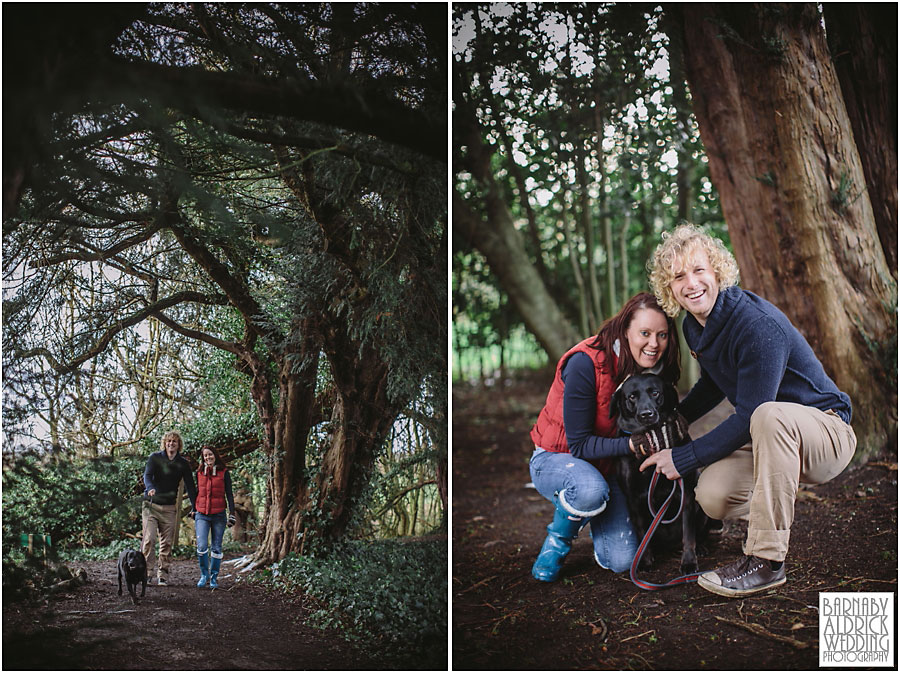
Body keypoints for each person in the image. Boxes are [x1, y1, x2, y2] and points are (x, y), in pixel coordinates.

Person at [642, 224, 856, 597]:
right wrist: (675, 417)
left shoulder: (757, 325)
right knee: (711, 493)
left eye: (698, 270)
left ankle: (766, 562)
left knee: (766, 415)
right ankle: (774, 507)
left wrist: (684, 456)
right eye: (678, 276)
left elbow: (752, 414)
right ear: (669, 288)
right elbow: (713, 382)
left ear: (718, 272)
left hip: (826, 433)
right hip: (772, 438)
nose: (690, 283)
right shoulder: (695, 327)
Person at [528, 292, 685, 581]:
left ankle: (597, 518)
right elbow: (579, 444)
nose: (654, 344)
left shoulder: (647, 369)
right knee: (589, 489)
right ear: (625, 330)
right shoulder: (585, 363)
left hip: (608, 464)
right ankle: (557, 542)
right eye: (645, 333)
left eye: (662, 335)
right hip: (558, 459)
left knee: (622, 560)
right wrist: (631, 444)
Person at [142, 431, 198, 586]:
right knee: (149, 540)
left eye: (174, 441)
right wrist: (150, 487)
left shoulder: (183, 463)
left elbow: (190, 486)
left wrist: (195, 507)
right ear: (164, 443)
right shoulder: (155, 458)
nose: (171, 444)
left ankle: (163, 574)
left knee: (166, 543)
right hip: (151, 505)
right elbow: (147, 476)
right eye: (168, 441)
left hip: (169, 508)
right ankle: (146, 573)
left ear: (178, 444)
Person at [192, 446, 236, 589]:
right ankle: (204, 575)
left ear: (215, 455)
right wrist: (193, 509)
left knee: (216, 547)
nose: (208, 458)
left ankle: (214, 578)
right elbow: (195, 492)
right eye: (205, 456)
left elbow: (229, 494)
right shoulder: (199, 472)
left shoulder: (224, 472)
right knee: (202, 545)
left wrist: (232, 513)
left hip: (219, 515)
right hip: (202, 514)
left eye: (210, 455)